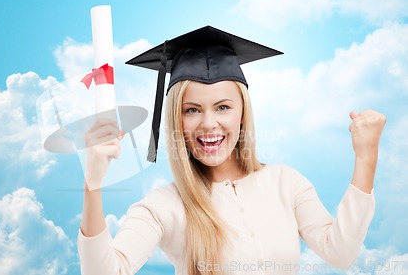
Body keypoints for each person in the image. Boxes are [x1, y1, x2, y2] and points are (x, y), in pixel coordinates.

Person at [77, 26, 386, 275]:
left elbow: (341, 252)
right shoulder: (164, 206)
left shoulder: (285, 183)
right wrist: (92, 184)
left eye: (223, 107)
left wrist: (366, 157)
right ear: (175, 119)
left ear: (242, 113)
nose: (209, 124)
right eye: (192, 110)